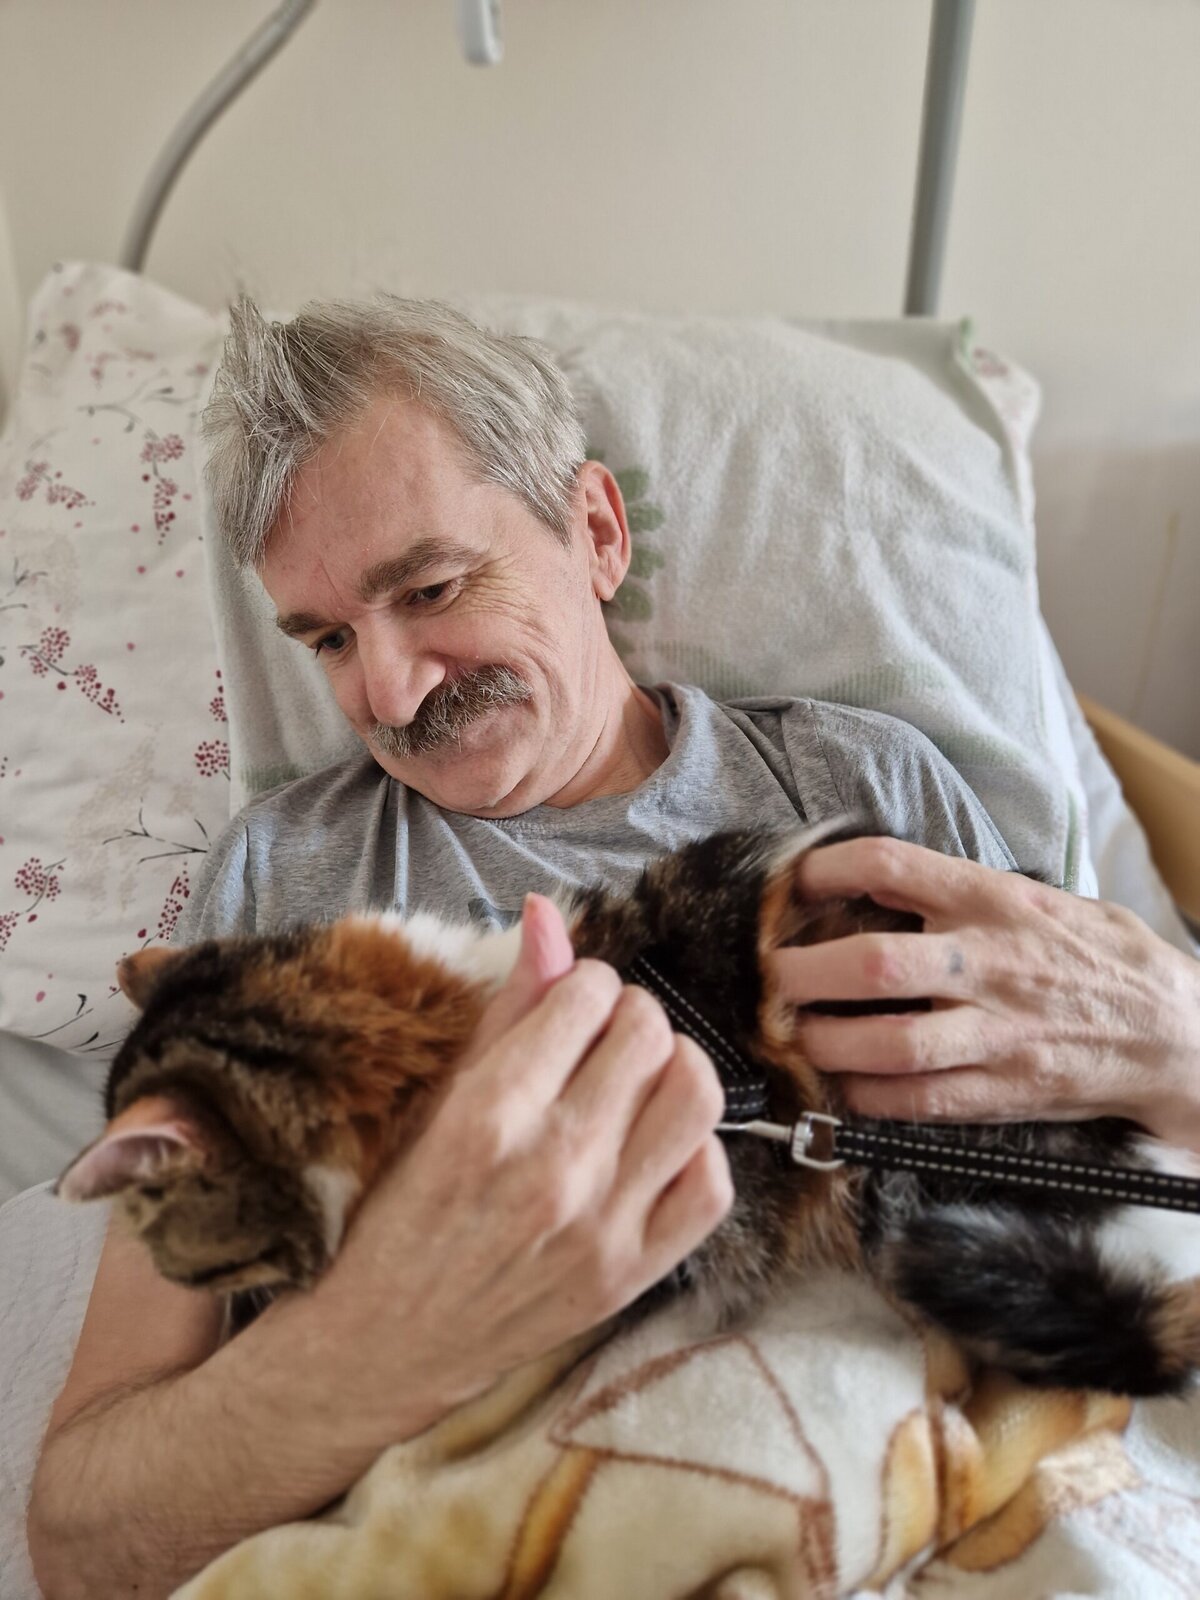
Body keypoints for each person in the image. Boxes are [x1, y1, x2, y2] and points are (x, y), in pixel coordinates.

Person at [26, 297, 1200, 1600]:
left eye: (431, 589)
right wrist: (396, 1327)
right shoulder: (281, 886)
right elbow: (85, 1531)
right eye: (329, 641)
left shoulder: (859, 782)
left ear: (595, 531)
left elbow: (1104, 1164)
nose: (390, 693)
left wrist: (1182, 1041)